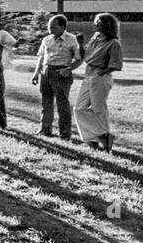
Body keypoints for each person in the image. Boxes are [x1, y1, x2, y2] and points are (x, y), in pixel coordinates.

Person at [75, 12, 124, 151]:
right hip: (88, 76)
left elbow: (116, 64)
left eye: (98, 22)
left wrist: (101, 73)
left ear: (107, 25)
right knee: (79, 108)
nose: (95, 24)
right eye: (96, 22)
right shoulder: (95, 38)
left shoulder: (114, 43)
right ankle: (95, 136)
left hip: (100, 77)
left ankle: (103, 138)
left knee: (98, 108)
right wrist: (80, 43)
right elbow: (85, 56)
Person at [30, 15, 84, 140]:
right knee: (46, 102)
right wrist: (36, 73)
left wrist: (69, 69)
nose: (50, 29)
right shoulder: (46, 39)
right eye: (49, 26)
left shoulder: (71, 39)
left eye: (53, 26)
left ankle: (64, 134)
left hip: (61, 73)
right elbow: (41, 57)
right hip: (46, 71)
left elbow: (79, 59)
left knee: (62, 104)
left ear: (63, 27)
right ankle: (45, 129)